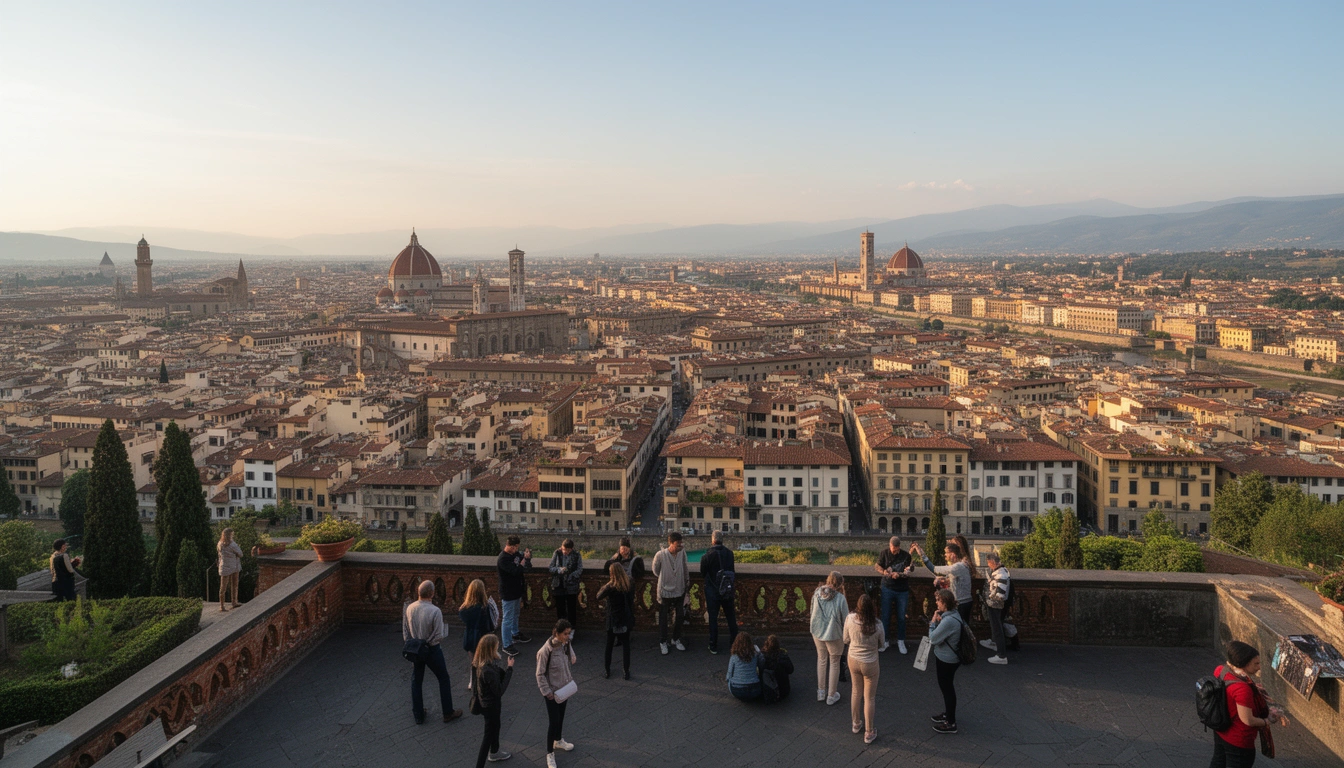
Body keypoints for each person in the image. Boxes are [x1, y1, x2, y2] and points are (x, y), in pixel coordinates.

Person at [1211, 641, 1289, 767]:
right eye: (1256, 663)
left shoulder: (1220, 671)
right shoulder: (1242, 689)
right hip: (1239, 740)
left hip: (1221, 731)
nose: (1259, 667)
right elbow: (1248, 720)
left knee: (1218, 763)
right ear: (1244, 664)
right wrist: (1267, 721)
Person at [403, 580, 463, 724]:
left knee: (416, 681)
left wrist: (413, 645)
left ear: (419, 592)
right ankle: (447, 712)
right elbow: (439, 635)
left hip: (415, 649)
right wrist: (427, 643)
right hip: (431, 650)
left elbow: (406, 631)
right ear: (432, 593)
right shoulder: (435, 611)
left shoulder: (409, 608)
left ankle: (418, 715)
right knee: (443, 678)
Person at [536, 619, 578, 768]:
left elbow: (569, 650)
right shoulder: (545, 651)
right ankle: (549, 753)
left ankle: (558, 741)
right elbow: (539, 674)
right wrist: (547, 693)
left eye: (569, 633)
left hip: (564, 688)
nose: (568, 636)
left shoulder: (565, 644)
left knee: (560, 717)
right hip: (552, 692)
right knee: (553, 722)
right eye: (565, 634)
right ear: (557, 633)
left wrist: (572, 655)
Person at [844, 594, 885, 744]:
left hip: (853, 659)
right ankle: (869, 731)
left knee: (856, 691)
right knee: (869, 697)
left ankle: (856, 723)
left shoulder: (850, 619)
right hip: (870, 663)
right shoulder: (877, 624)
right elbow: (882, 644)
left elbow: (845, 639)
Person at [472, 634, 514, 766]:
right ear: (490, 649)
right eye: (496, 647)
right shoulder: (488, 670)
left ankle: (495, 751)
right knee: (488, 735)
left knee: (495, 727)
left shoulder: (480, 663)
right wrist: (510, 669)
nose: (498, 648)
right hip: (491, 706)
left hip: (486, 704)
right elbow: (499, 690)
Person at [809, 571, 849, 706]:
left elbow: (811, 611)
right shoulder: (840, 598)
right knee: (834, 662)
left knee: (821, 660)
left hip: (818, 631)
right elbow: (846, 619)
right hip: (834, 634)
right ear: (840, 584)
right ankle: (831, 695)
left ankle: (821, 692)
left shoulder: (816, 593)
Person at [929, 588, 964, 734]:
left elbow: (933, 638)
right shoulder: (953, 614)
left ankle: (950, 722)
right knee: (947, 687)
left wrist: (933, 623)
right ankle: (948, 714)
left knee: (947, 689)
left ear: (945, 603)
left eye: (938, 600)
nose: (936, 603)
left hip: (946, 659)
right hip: (951, 658)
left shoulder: (948, 621)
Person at [913, 542, 973, 623]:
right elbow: (953, 577)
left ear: (953, 555)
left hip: (961, 604)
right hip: (965, 602)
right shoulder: (961, 565)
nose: (945, 555)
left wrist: (922, 554)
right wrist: (942, 578)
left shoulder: (957, 567)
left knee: (959, 629)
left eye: (946, 553)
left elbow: (934, 569)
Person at [700, 530, 738, 654]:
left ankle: (713, 645)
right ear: (722, 540)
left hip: (713, 592)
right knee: (731, 617)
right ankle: (734, 643)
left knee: (713, 618)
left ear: (712, 540)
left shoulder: (707, 556)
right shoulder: (730, 554)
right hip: (727, 590)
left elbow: (702, 573)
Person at [595, 563, 634, 680]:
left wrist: (607, 583)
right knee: (626, 646)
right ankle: (626, 671)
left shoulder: (610, 587)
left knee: (609, 645)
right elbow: (631, 600)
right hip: (625, 619)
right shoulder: (629, 583)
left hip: (613, 619)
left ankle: (607, 670)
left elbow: (598, 596)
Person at [652, 532, 690, 655]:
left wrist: (686, 583)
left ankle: (675, 638)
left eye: (681, 543)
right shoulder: (660, 555)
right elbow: (655, 570)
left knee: (680, 615)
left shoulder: (682, 553)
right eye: (678, 544)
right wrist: (666, 577)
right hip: (664, 591)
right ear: (671, 543)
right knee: (663, 618)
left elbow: (685, 567)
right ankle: (663, 641)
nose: (680, 546)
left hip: (679, 589)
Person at [874, 536, 912, 654]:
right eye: (891, 549)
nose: (893, 551)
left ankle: (901, 640)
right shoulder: (884, 553)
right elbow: (877, 566)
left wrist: (900, 575)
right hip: (887, 587)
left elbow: (908, 571)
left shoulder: (906, 556)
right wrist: (884, 572)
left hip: (902, 589)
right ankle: (885, 641)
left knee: (901, 617)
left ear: (899, 547)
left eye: (895, 550)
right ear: (889, 545)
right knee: (885, 616)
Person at [497, 536, 533, 656]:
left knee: (515, 614)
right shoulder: (503, 559)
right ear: (511, 546)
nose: (517, 550)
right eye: (516, 547)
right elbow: (515, 571)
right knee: (507, 618)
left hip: (517, 590)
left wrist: (527, 557)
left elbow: (525, 562)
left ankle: (515, 633)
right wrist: (522, 565)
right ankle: (506, 644)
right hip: (508, 592)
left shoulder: (515, 554)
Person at [459, 579, 497, 685]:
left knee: (473, 662)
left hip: (470, 636)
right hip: (482, 637)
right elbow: (488, 624)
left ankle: (473, 680)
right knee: (485, 660)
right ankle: (484, 681)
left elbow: (462, 617)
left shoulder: (464, 609)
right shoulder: (484, 607)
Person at [979, 552, 1010, 665]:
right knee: (997, 627)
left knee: (997, 628)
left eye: (988, 563)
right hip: (996, 604)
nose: (988, 565)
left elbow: (1000, 594)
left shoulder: (1001, 574)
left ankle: (1001, 656)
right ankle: (996, 646)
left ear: (992, 562)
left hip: (995, 605)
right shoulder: (1002, 571)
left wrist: (991, 597)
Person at [548, 539, 582, 638]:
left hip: (571, 585)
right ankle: (560, 630)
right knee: (560, 609)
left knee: (571, 609)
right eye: (563, 549)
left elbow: (580, 569)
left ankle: (571, 630)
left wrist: (570, 575)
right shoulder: (557, 553)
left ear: (571, 549)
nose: (564, 552)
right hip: (559, 585)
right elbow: (550, 568)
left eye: (566, 550)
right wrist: (559, 570)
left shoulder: (576, 555)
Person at [725, 631, 763, 701]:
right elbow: (761, 663)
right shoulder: (755, 655)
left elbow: (729, 673)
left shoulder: (734, 656)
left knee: (730, 680)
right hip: (754, 690)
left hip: (737, 691)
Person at [759, 634, 794, 704]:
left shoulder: (762, 657)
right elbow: (791, 670)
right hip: (784, 691)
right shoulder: (783, 656)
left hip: (767, 692)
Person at [217, 528, 243, 611]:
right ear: (230, 535)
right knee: (234, 585)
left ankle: (222, 606)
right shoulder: (233, 544)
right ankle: (234, 602)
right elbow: (240, 554)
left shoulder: (220, 544)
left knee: (223, 587)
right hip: (234, 566)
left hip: (224, 566)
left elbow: (219, 555)